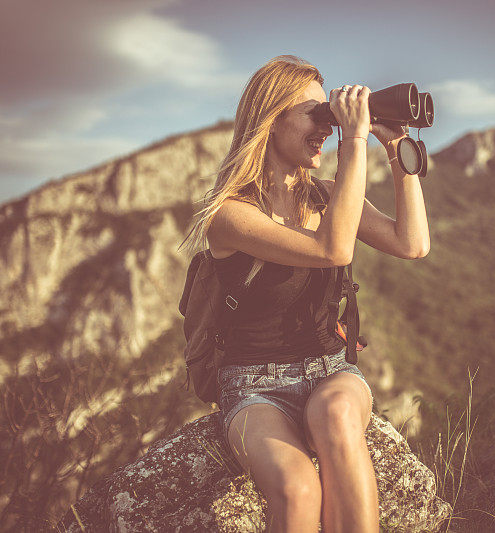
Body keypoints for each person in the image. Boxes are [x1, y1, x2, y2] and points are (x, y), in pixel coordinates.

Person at [179, 55, 429, 532]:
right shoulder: (231, 216)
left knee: (335, 413)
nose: (327, 127)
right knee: (297, 489)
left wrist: (397, 149)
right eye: (314, 115)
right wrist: (354, 141)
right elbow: (332, 249)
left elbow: (412, 243)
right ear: (271, 123)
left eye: (328, 115)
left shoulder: (328, 196)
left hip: (331, 370)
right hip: (253, 387)